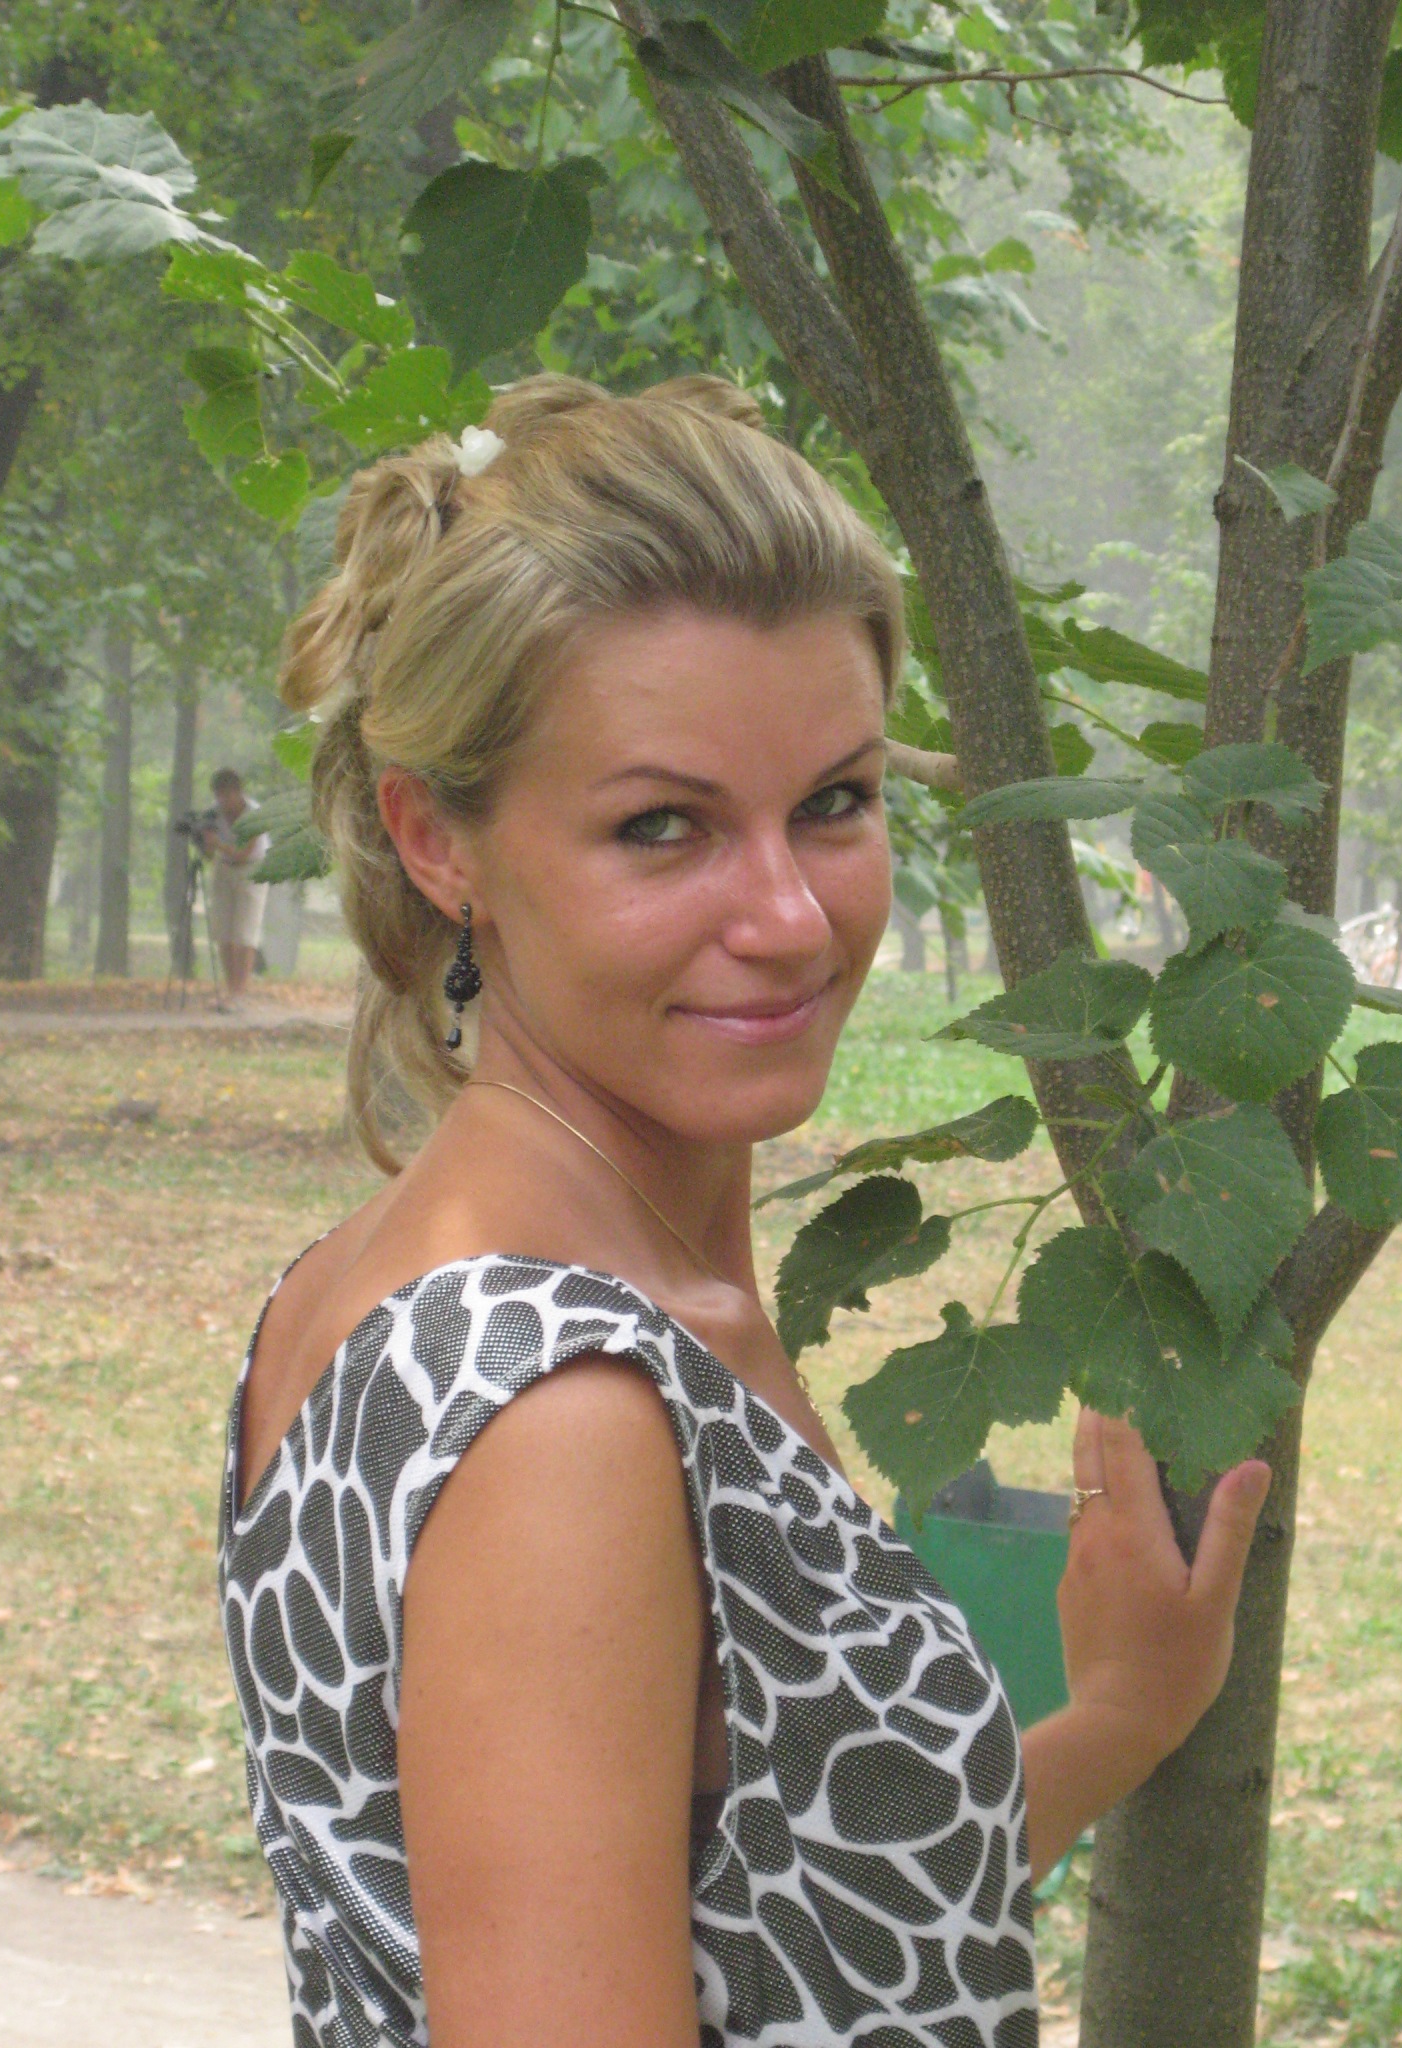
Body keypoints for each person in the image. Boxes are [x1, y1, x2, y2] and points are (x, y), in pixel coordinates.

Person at [218, 375, 1272, 2048]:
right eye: (663, 827)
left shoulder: (407, 1286)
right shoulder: (560, 1409)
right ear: (437, 840)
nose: (788, 916)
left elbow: (776, 1931)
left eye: (836, 802)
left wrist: (1116, 1720)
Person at [202, 766, 269, 1009]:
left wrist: (218, 844)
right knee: (224, 933)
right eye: (219, 795)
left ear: (238, 792)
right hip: (224, 869)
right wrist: (204, 840)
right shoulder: (213, 814)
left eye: (227, 795)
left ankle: (240, 992)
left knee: (244, 934)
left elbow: (244, 853)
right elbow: (208, 855)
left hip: (251, 870)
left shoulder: (254, 815)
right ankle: (230, 989)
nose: (223, 801)